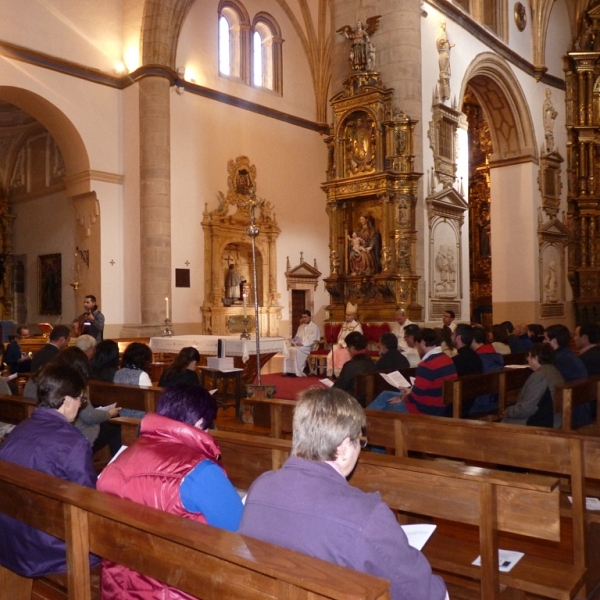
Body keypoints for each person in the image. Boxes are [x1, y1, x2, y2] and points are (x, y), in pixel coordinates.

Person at [239, 387, 447, 600]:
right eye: (360, 441)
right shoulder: (367, 515)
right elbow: (421, 593)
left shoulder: (260, 488)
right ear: (344, 447)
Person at [98, 384, 244, 600]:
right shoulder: (199, 471)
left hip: (117, 586)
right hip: (178, 589)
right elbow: (240, 532)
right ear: (198, 423)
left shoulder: (122, 458)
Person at [0, 364, 98, 578]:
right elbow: (89, 498)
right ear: (68, 400)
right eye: (81, 399)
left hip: (10, 539)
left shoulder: (21, 429)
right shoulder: (73, 442)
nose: (81, 405)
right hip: (46, 549)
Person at [367, 328, 457, 415]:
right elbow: (424, 389)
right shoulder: (447, 359)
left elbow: (416, 397)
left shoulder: (427, 365)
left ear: (422, 343)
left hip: (425, 409)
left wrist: (402, 398)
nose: (417, 349)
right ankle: (362, 418)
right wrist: (411, 391)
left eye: (417, 345)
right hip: (438, 404)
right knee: (385, 394)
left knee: (386, 408)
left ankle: (361, 422)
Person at [502, 344, 563, 428]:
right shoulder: (554, 370)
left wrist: (508, 411)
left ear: (537, 358)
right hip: (552, 418)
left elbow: (527, 408)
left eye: (530, 356)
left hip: (540, 422)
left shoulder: (539, 376)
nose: (527, 359)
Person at [544, 324, 590, 428]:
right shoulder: (567, 354)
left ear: (554, 341)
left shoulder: (559, 359)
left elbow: (550, 386)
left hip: (571, 410)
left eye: (546, 339)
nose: (544, 342)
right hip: (580, 408)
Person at [333, 332, 377, 406]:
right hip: (369, 400)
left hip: (351, 402)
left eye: (348, 347)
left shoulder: (350, 365)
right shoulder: (372, 363)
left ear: (353, 348)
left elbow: (339, 387)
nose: (348, 350)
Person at [327, 302, 363, 377]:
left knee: (342, 354)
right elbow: (340, 336)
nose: (346, 316)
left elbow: (357, 339)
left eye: (348, 315)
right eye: (346, 315)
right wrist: (340, 343)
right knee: (332, 353)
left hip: (350, 347)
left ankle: (341, 374)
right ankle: (332, 373)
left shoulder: (357, 326)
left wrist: (345, 345)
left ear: (353, 316)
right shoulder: (344, 324)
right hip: (341, 345)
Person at [283, 310, 320, 377]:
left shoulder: (314, 327)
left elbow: (314, 339)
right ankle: (289, 371)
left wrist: (303, 344)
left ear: (310, 317)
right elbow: (297, 337)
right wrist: (293, 341)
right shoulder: (301, 327)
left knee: (298, 350)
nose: (303, 319)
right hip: (300, 345)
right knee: (289, 349)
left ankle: (298, 372)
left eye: (305, 317)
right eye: (303, 317)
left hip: (310, 346)